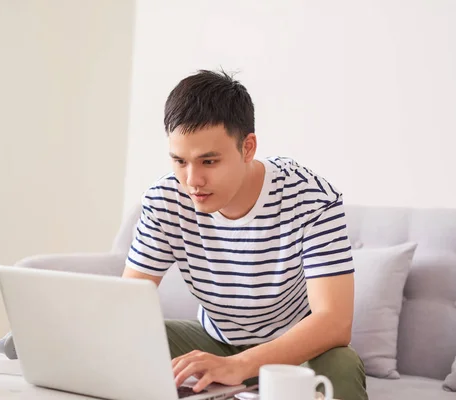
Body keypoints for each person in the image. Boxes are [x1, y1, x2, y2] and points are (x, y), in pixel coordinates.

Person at [121, 69, 368, 400]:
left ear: (248, 147)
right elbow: (126, 304)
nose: (192, 180)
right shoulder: (166, 200)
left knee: (341, 364)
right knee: (125, 341)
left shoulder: (310, 197)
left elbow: (335, 322)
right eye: (180, 161)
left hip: (293, 349)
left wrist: (241, 365)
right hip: (215, 340)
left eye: (209, 161)